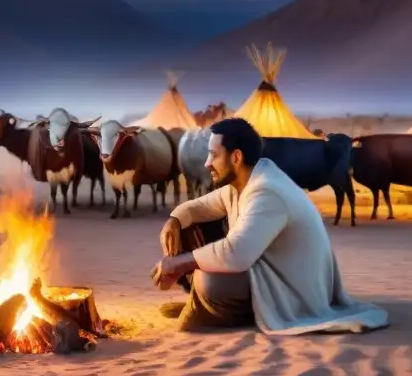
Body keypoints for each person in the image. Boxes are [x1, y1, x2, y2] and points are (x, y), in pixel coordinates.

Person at [151, 117, 389, 334]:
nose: (206, 164)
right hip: (267, 272)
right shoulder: (242, 183)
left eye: (213, 155)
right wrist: (174, 220)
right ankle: (200, 303)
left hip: (293, 290)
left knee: (209, 282)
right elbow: (197, 208)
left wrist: (179, 263)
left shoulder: (267, 191)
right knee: (188, 227)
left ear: (236, 157)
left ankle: (210, 308)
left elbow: (237, 253)